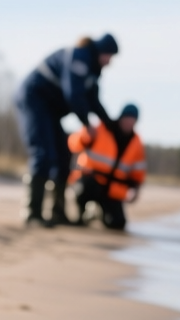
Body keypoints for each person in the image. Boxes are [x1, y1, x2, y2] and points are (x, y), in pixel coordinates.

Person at [14, 34, 118, 227]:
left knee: (63, 156)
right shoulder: (80, 57)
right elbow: (74, 94)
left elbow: (93, 101)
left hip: (50, 109)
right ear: (102, 51)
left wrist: (111, 125)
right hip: (33, 99)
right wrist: (87, 123)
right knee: (43, 153)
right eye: (109, 57)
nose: (109, 62)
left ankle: (57, 212)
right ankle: (32, 212)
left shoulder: (92, 71)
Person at [67, 103, 146, 231]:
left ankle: (96, 213)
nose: (129, 122)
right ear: (121, 117)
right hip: (90, 181)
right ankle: (82, 214)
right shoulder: (101, 128)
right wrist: (86, 135)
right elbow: (73, 144)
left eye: (133, 120)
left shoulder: (136, 143)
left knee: (118, 223)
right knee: (82, 190)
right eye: (127, 118)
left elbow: (138, 172)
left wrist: (136, 189)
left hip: (112, 190)